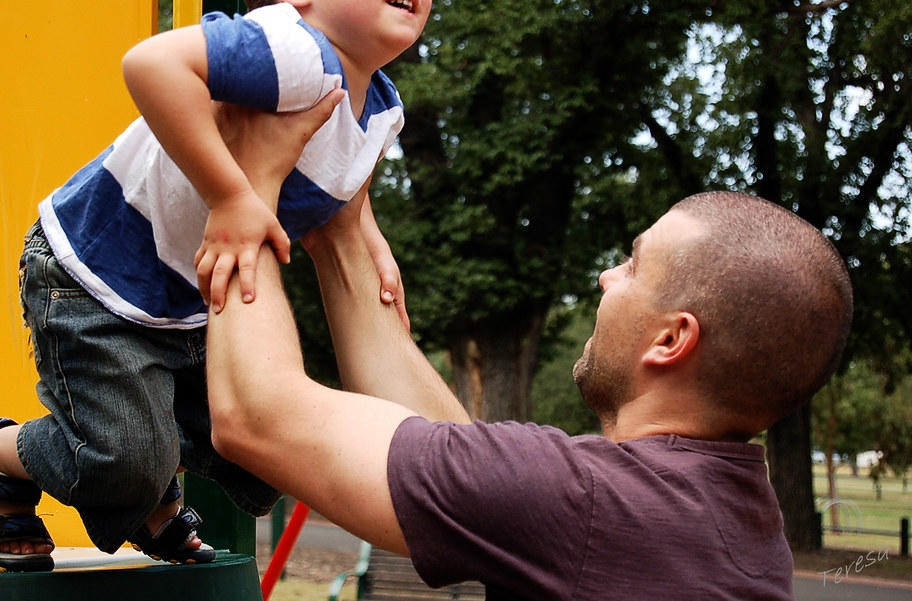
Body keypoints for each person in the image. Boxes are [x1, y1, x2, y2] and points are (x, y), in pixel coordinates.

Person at [202, 104, 854, 600]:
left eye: (633, 265)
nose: (607, 279)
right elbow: (456, 457)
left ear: (671, 339)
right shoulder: (726, 516)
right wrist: (343, 229)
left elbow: (256, 416)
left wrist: (248, 181)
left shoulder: (591, 504)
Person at [0, 0, 431, 572]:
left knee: (275, 459)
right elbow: (149, 64)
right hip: (96, 276)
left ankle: (151, 480)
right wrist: (232, 195)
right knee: (120, 458)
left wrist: (370, 238)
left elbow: (348, 186)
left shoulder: (380, 106)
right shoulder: (290, 46)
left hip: (186, 300)